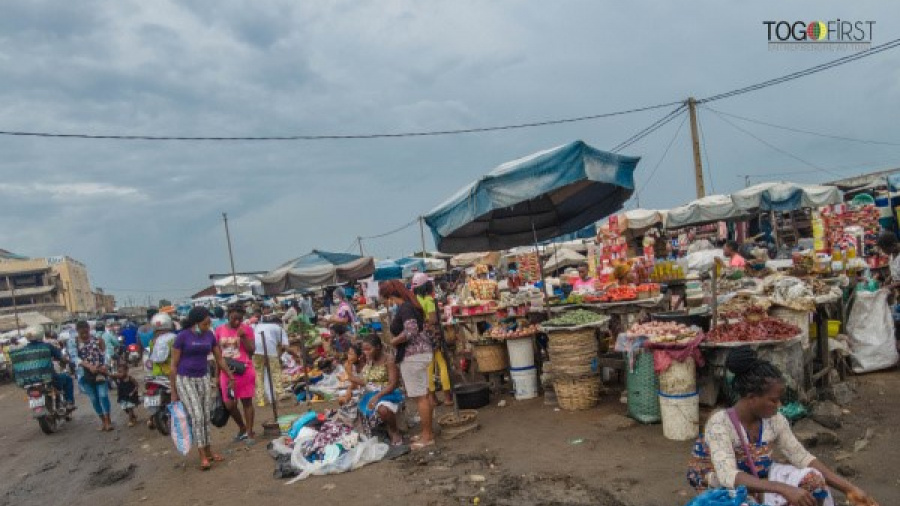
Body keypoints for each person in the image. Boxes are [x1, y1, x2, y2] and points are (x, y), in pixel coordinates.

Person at [687, 347, 879, 506]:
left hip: (759, 476)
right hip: (720, 485)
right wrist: (784, 489)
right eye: (773, 400)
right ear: (752, 397)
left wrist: (849, 489)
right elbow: (728, 475)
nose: (779, 406)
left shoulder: (775, 420)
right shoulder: (719, 423)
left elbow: (802, 457)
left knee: (813, 481)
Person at [170, 307, 235, 471]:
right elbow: (174, 365)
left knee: (206, 416)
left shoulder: (209, 336)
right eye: (205, 323)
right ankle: (202, 456)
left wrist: (229, 375)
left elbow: (219, 358)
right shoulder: (182, 337)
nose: (207, 326)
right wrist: (173, 391)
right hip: (185, 379)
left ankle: (209, 450)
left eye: (208, 323)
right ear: (196, 322)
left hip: (203, 377)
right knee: (197, 416)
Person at [380, 279, 434, 450]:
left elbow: (410, 330)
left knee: (420, 397)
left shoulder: (405, 307)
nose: (387, 303)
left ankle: (427, 437)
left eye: (386, 299)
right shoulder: (412, 305)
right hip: (420, 353)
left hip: (413, 355)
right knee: (424, 394)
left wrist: (394, 340)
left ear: (391, 296)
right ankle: (428, 432)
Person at [346, 334, 402, 445]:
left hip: (389, 393)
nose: (366, 352)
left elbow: (393, 384)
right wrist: (350, 375)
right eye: (364, 350)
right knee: (348, 410)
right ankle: (378, 430)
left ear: (378, 347)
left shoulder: (389, 360)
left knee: (382, 409)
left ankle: (394, 431)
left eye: (368, 349)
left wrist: (377, 396)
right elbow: (366, 382)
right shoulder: (369, 361)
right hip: (370, 394)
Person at [215, 304, 257, 443]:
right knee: (229, 405)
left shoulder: (247, 330)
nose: (237, 322)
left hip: (244, 370)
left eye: (240, 319)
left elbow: (251, 351)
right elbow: (218, 355)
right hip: (226, 372)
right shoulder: (219, 330)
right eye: (234, 318)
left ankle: (250, 432)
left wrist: (243, 336)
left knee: (247, 402)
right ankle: (242, 427)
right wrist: (216, 375)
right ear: (229, 314)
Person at [412, 273, 453, 407]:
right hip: (431, 334)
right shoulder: (428, 300)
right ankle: (447, 397)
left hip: (421, 335)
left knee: (429, 367)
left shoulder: (415, 299)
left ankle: (433, 398)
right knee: (442, 364)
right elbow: (433, 319)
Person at [16, 326, 75, 410]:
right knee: (68, 379)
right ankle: (69, 402)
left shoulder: (23, 350)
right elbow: (60, 357)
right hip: (50, 378)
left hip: (30, 381)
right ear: (40, 335)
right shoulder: (47, 346)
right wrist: (68, 361)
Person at [76, 320, 113, 431]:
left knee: (103, 396)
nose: (84, 335)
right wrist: (88, 366)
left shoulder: (98, 340)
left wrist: (105, 366)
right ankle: (102, 420)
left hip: (100, 373)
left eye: (86, 332)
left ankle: (108, 420)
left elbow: (106, 354)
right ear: (77, 332)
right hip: (84, 376)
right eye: (81, 333)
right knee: (93, 399)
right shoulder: (74, 343)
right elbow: (74, 358)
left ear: (89, 329)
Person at [253, 307, 290, 407]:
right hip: (269, 350)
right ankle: (279, 394)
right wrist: (297, 356)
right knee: (275, 372)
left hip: (255, 350)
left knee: (258, 374)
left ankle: (260, 400)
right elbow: (285, 347)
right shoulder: (279, 328)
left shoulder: (259, 326)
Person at [111, 344, 139, 427]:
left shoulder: (130, 378)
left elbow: (137, 385)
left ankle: (131, 420)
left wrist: (133, 392)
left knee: (129, 408)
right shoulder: (118, 379)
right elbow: (113, 379)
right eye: (118, 372)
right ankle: (133, 416)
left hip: (130, 395)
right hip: (122, 396)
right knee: (125, 408)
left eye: (121, 372)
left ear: (127, 371)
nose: (119, 373)